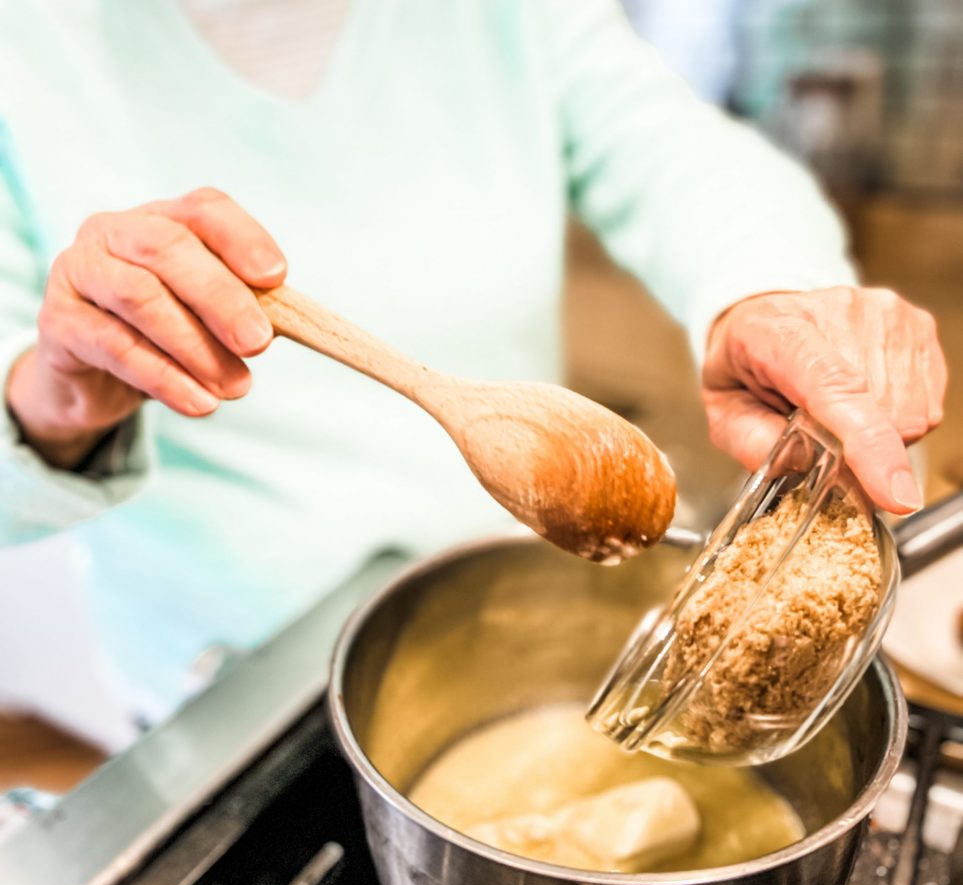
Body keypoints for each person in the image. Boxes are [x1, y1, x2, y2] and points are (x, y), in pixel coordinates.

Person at [0, 0, 945, 728]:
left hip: (519, 587)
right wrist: (54, 400)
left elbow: (672, 146)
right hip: (221, 685)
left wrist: (767, 290)